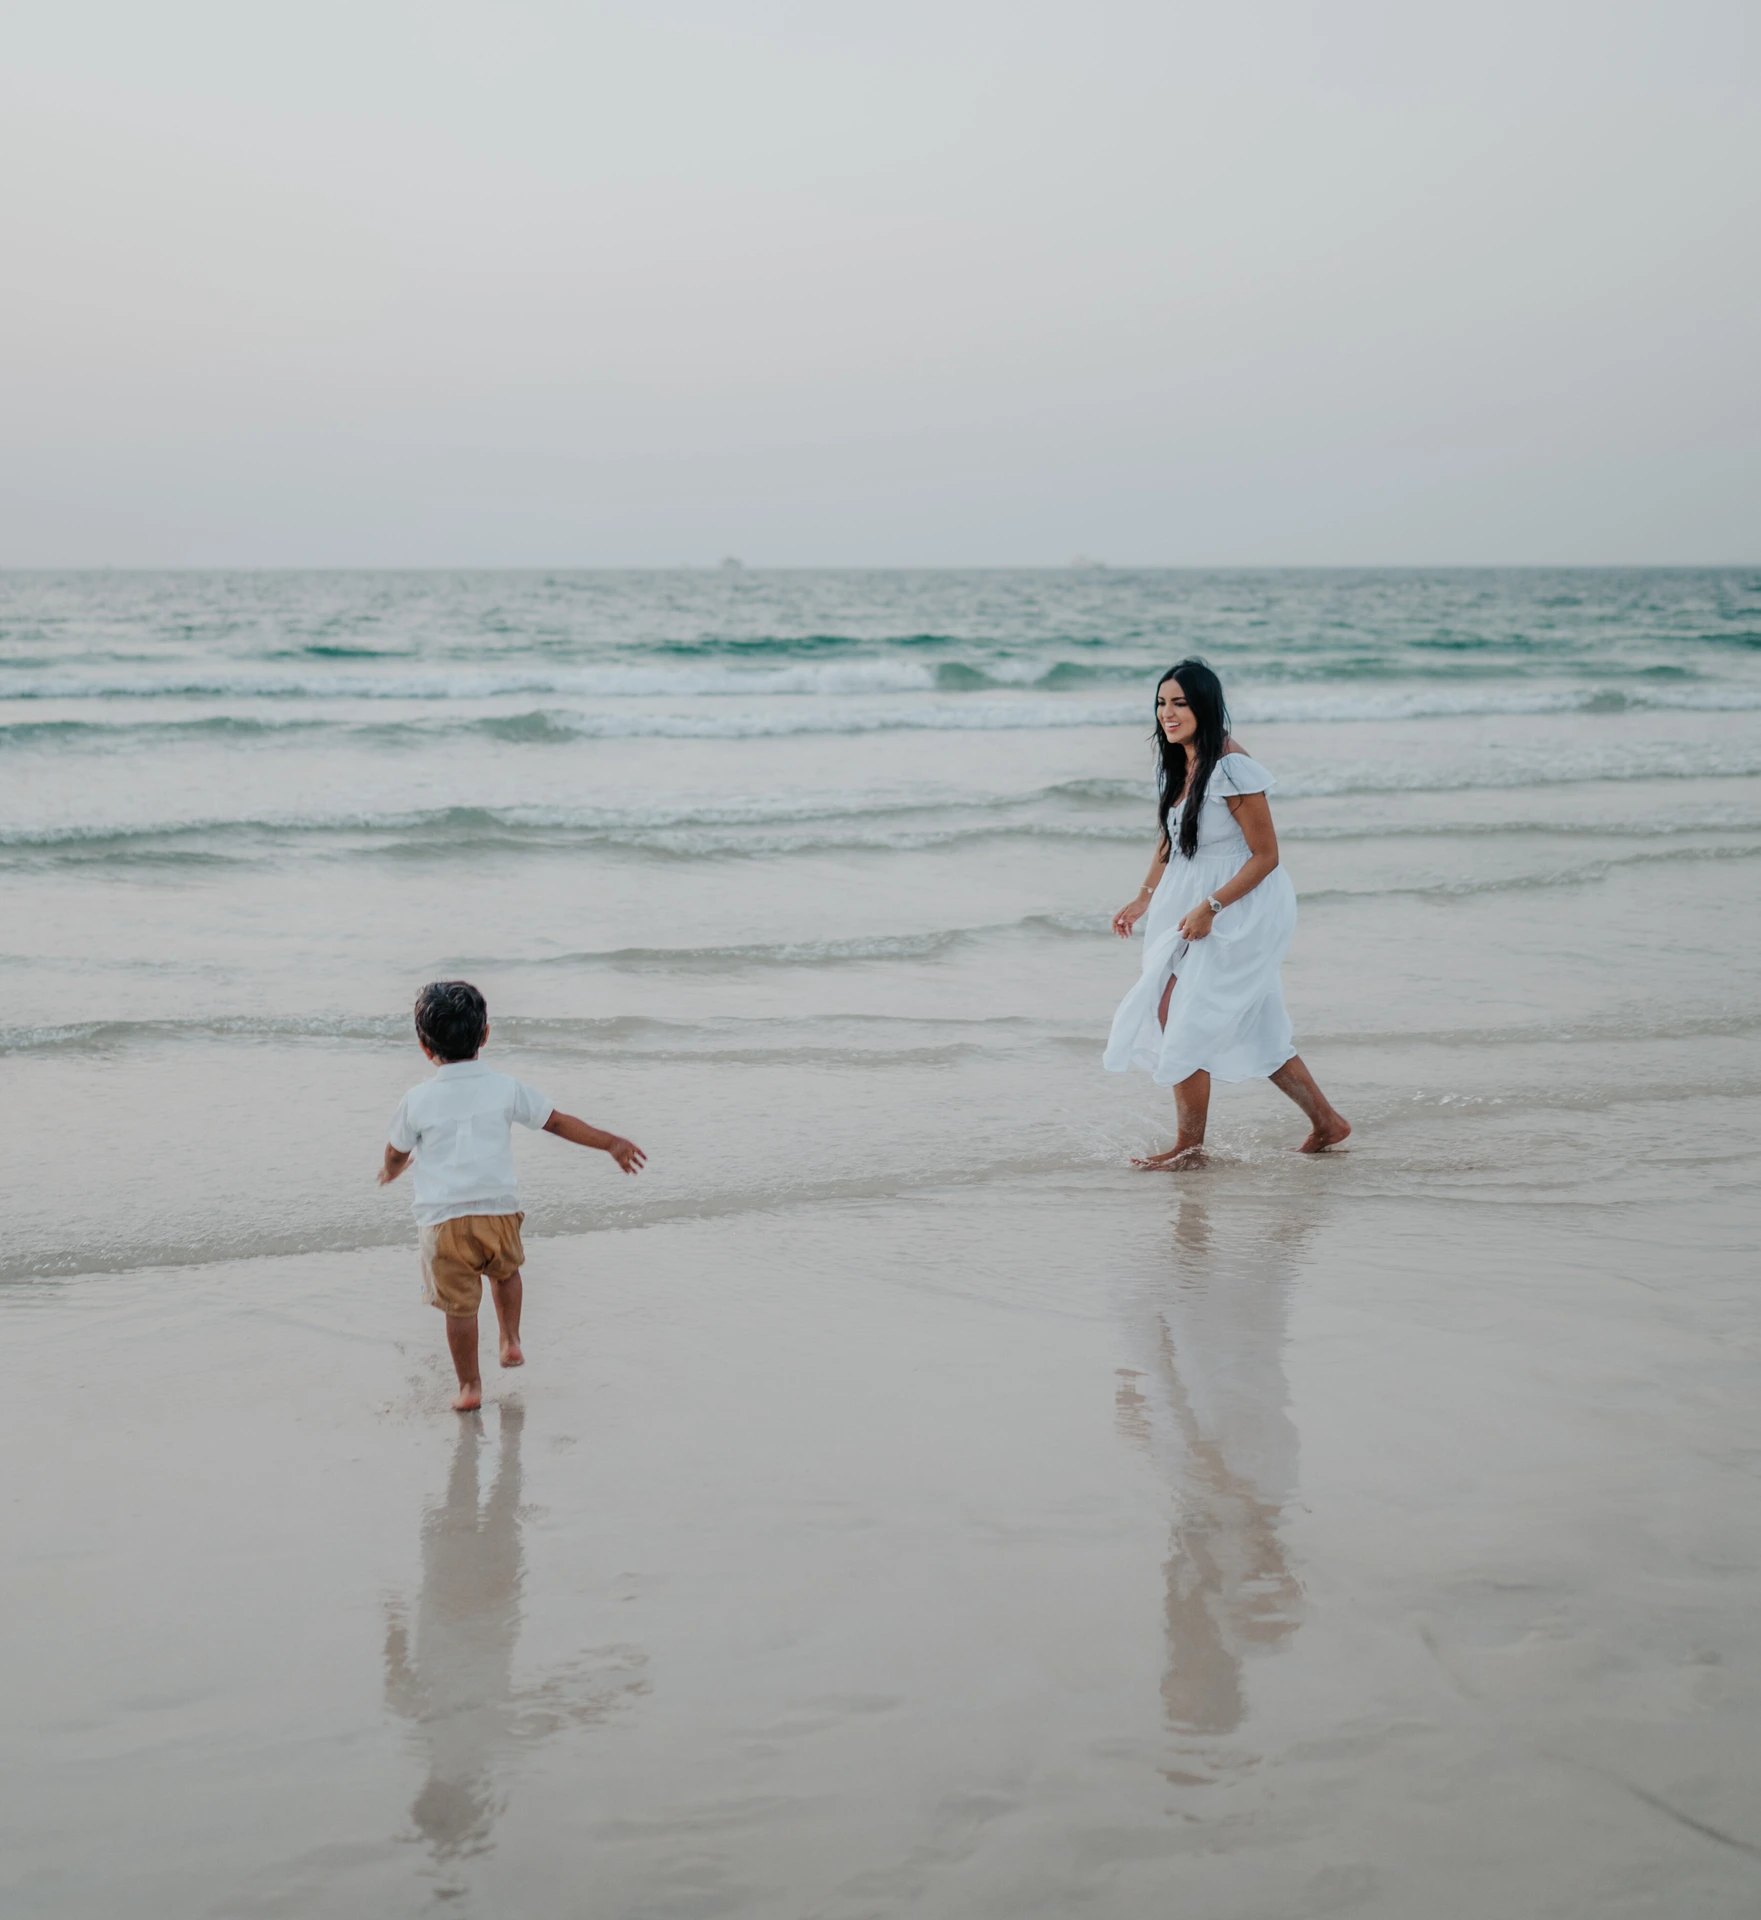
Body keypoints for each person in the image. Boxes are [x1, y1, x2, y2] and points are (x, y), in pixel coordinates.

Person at [1104, 659, 1349, 1167]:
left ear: (1205, 706)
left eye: (1180, 703)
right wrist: (1144, 895)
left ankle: (1189, 1149)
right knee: (1253, 1020)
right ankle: (1327, 1123)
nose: (1167, 714)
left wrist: (1212, 907)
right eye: (1161, 703)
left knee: (1183, 1013)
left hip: (1242, 904)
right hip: (1193, 901)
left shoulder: (1230, 765)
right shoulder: (1180, 760)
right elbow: (1173, 839)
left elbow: (1266, 855)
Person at [379, 979, 646, 1411]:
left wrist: (390, 1172)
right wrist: (610, 1142)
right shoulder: (505, 1087)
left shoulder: (417, 1099)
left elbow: (396, 1150)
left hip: (442, 1222)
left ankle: (470, 1387)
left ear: (424, 1048)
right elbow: (556, 1122)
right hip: (499, 1213)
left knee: (459, 1308)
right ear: (485, 1034)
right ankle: (510, 1339)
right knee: (505, 1274)